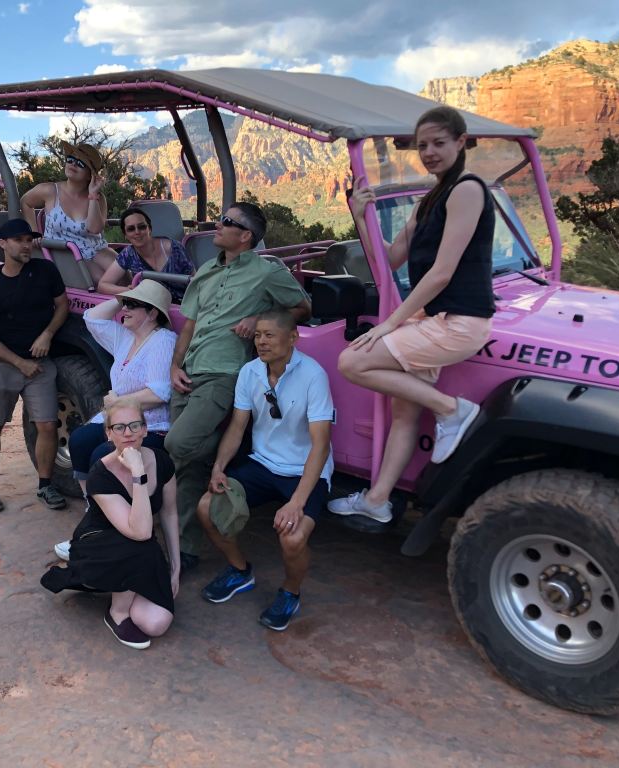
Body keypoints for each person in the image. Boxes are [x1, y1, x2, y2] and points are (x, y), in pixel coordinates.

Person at [328, 106, 495, 523]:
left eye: (439, 143)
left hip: (459, 323)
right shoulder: (430, 201)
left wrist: (390, 323)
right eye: (423, 146)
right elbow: (389, 258)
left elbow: (442, 273)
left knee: (352, 360)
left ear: (461, 142)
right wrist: (359, 213)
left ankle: (451, 410)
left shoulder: (468, 190)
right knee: (403, 410)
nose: (430, 153)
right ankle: (377, 501)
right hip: (435, 319)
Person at [165, 202, 312, 572]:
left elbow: (302, 306)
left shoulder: (265, 272)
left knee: (178, 444)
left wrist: (258, 317)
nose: (217, 225)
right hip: (190, 371)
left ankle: (234, 454)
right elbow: (189, 325)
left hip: (224, 372)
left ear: (245, 236)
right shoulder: (205, 273)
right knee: (187, 466)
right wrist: (173, 366)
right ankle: (187, 548)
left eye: (227, 222)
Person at [196, 310, 334, 631]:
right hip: (262, 463)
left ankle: (290, 591)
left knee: (293, 536)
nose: (261, 341)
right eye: (258, 335)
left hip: (304, 469)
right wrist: (219, 467)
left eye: (270, 335)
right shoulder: (249, 372)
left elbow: (321, 445)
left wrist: (297, 502)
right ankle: (240, 571)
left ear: (293, 338)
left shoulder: (313, 375)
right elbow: (238, 426)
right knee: (207, 508)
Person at [52, 280, 177, 561]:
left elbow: (160, 392)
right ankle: (98, 510)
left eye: (134, 305)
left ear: (153, 313)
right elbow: (91, 316)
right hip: (117, 419)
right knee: (81, 441)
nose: (126, 309)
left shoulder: (162, 341)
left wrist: (118, 402)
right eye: (126, 304)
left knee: (101, 455)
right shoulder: (124, 336)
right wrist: (123, 297)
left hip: (149, 425)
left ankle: (108, 526)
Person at [41, 399, 180, 650]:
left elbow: (169, 514)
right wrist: (138, 474)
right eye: (119, 427)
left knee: (156, 623)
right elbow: (140, 531)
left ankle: (125, 588)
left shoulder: (162, 462)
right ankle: (117, 612)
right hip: (100, 544)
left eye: (135, 425)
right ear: (108, 434)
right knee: (140, 542)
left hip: (139, 548)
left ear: (145, 429)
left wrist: (176, 568)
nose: (128, 433)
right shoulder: (100, 474)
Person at [0, 218, 69, 513]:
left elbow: (63, 305)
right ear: (3, 244)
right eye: (19, 240)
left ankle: (45, 485)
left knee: (47, 425)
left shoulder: (45, 270)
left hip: (39, 364)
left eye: (29, 239)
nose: (26, 245)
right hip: (3, 363)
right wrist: (18, 362)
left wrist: (48, 334)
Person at [21, 141, 116, 284]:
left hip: (94, 248)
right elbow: (25, 202)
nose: (73, 164)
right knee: (101, 281)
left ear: (91, 175)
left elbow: (94, 228)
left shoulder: (98, 198)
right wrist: (34, 233)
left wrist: (92, 195)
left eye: (80, 163)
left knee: (125, 274)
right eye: (70, 159)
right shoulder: (50, 191)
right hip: (64, 253)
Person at [97, 207, 195, 303]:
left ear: (150, 229)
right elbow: (103, 285)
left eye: (142, 227)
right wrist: (131, 291)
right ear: (125, 235)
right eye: (131, 229)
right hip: (152, 308)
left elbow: (195, 281)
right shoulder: (129, 254)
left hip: (183, 306)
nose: (137, 232)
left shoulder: (174, 248)